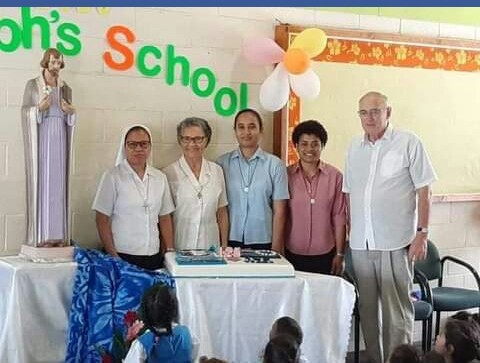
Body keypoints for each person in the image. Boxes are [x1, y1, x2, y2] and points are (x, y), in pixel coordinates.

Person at [343, 91, 437, 363]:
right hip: (362, 243)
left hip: (396, 242)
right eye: (363, 112)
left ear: (388, 112)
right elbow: (349, 193)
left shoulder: (408, 142)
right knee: (369, 312)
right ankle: (376, 359)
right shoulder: (353, 147)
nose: (369, 117)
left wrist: (422, 234)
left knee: (397, 314)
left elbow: (425, 191)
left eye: (376, 111)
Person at [92, 125, 174, 270]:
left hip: (153, 255)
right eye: (132, 144)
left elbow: (165, 217)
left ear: (150, 147)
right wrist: (113, 256)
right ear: (124, 147)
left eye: (144, 144)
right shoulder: (112, 176)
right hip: (122, 255)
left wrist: (170, 251)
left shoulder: (160, 178)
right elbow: (101, 220)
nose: (138, 149)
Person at [21, 48, 76, 247]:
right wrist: (38, 110)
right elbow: (25, 112)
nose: (56, 67)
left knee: (59, 183)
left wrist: (70, 112)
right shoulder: (33, 85)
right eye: (53, 62)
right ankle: (42, 235)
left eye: (59, 63)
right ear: (46, 63)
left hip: (60, 135)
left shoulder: (65, 87)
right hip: (43, 136)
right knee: (44, 183)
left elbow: (71, 113)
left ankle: (59, 236)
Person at [217, 109, 289, 253]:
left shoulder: (275, 165)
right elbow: (219, 208)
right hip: (231, 239)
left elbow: (280, 211)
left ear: (261, 130)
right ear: (235, 131)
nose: (246, 132)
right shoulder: (221, 164)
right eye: (241, 127)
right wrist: (222, 244)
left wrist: (275, 248)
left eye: (252, 127)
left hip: (263, 239)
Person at [286, 120, 346, 275]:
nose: (309, 149)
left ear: (322, 146)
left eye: (315, 144)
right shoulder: (285, 176)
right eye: (304, 144)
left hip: (325, 253)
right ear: (296, 146)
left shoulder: (336, 177)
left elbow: (339, 217)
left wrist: (340, 254)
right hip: (292, 252)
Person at [163, 117, 228, 250]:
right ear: (180, 141)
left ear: (207, 140)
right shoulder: (168, 173)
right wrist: (168, 249)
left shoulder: (216, 171)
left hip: (210, 244)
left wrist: (224, 244)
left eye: (198, 139)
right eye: (186, 139)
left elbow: (222, 211)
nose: (192, 144)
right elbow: (165, 217)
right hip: (180, 244)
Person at [124, 283, 195, 363]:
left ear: (145, 313)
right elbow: (192, 356)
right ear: (174, 308)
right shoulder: (186, 334)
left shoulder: (142, 343)